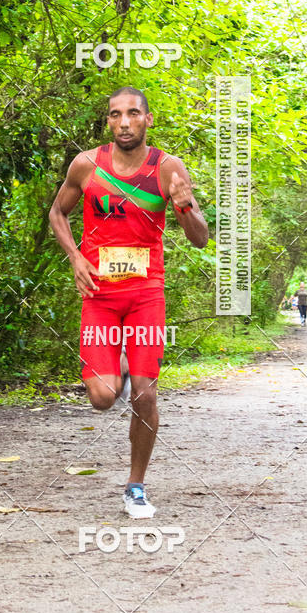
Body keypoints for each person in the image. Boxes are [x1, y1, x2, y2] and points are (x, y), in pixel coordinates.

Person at [49, 87, 208, 518]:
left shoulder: (167, 168)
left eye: (133, 114)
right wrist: (76, 255)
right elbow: (57, 213)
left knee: (145, 393)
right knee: (103, 397)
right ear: (109, 121)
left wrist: (185, 205)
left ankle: (135, 486)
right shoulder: (86, 165)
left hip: (145, 296)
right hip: (99, 296)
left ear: (147, 120)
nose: (124, 122)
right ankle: (114, 372)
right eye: (116, 115)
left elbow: (200, 238)